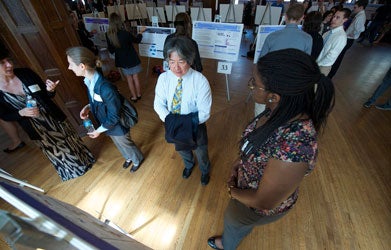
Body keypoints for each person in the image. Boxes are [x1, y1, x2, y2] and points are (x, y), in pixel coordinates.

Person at [207, 48, 335, 250]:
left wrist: (232, 191)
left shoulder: (295, 146)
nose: (250, 86)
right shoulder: (278, 110)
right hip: (247, 188)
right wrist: (239, 163)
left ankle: (227, 245)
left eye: (254, 84)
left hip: (254, 206)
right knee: (239, 223)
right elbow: (258, 146)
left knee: (233, 222)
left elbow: (263, 201)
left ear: (274, 96)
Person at [0, 46, 95, 181]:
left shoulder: (25, 73)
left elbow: (46, 95)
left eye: (8, 60)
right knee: (56, 150)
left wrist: (50, 90)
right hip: (36, 128)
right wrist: (21, 113)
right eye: (2, 63)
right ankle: (72, 171)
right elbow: (4, 116)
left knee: (70, 139)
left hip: (53, 117)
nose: (9, 64)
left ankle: (86, 160)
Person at [66, 46, 144, 172]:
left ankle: (137, 159)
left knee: (126, 143)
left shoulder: (106, 87)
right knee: (118, 144)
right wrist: (88, 107)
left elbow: (114, 115)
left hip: (117, 124)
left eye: (70, 64)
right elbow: (99, 102)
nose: (69, 67)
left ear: (82, 66)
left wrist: (99, 131)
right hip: (107, 124)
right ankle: (128, 158)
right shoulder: (89, 81)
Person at [154, 36, 212, 186]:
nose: (176, 67)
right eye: (172, 62)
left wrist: (181, 123)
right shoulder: (163, 78)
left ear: (190, 60)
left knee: (201, 151)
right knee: (181, 149)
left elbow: (204, 112)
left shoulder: (200, 81)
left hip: (195, 125)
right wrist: (173, 121)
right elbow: (158, 104)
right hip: (173, 124)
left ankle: (205, 170)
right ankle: (189, 165)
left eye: (181, 61)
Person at [256, 3, 312, 116]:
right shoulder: (307, 39)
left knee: (261, 105)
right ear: (302, 18)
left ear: (285, 16)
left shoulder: (272, 36)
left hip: (270, 78)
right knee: (283, 108)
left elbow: (261, 61)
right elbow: (305, 65)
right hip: (291, 81)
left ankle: (258, 124)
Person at [106, 13, 145, 102]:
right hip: (132, 58)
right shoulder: (125, 33)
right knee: (135, 77)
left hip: (122, 61)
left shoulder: (108, 35)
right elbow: (137, 40)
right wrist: (141, 32)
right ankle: (139, 95)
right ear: (119, 22)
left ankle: (134, 97)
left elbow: (111, 50)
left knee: (129, 79)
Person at [328, 0, 367, 79]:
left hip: (349, 38)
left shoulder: (361, 16)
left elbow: (361, 29)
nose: (354, 8)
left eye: (355, 7)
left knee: (338, 57)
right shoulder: (359, 15)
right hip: (348, 37)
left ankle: (330, 74)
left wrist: (353, 35)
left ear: (361, 7)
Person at [316, 8, 350, 76]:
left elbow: (331, 56)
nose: (333, 19)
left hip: (322, 66)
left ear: (344, 20)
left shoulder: (341, 37)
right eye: (334, 16)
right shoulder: (328, 33)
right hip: (316, 62)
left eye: (337, 17)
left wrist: (316, 64)